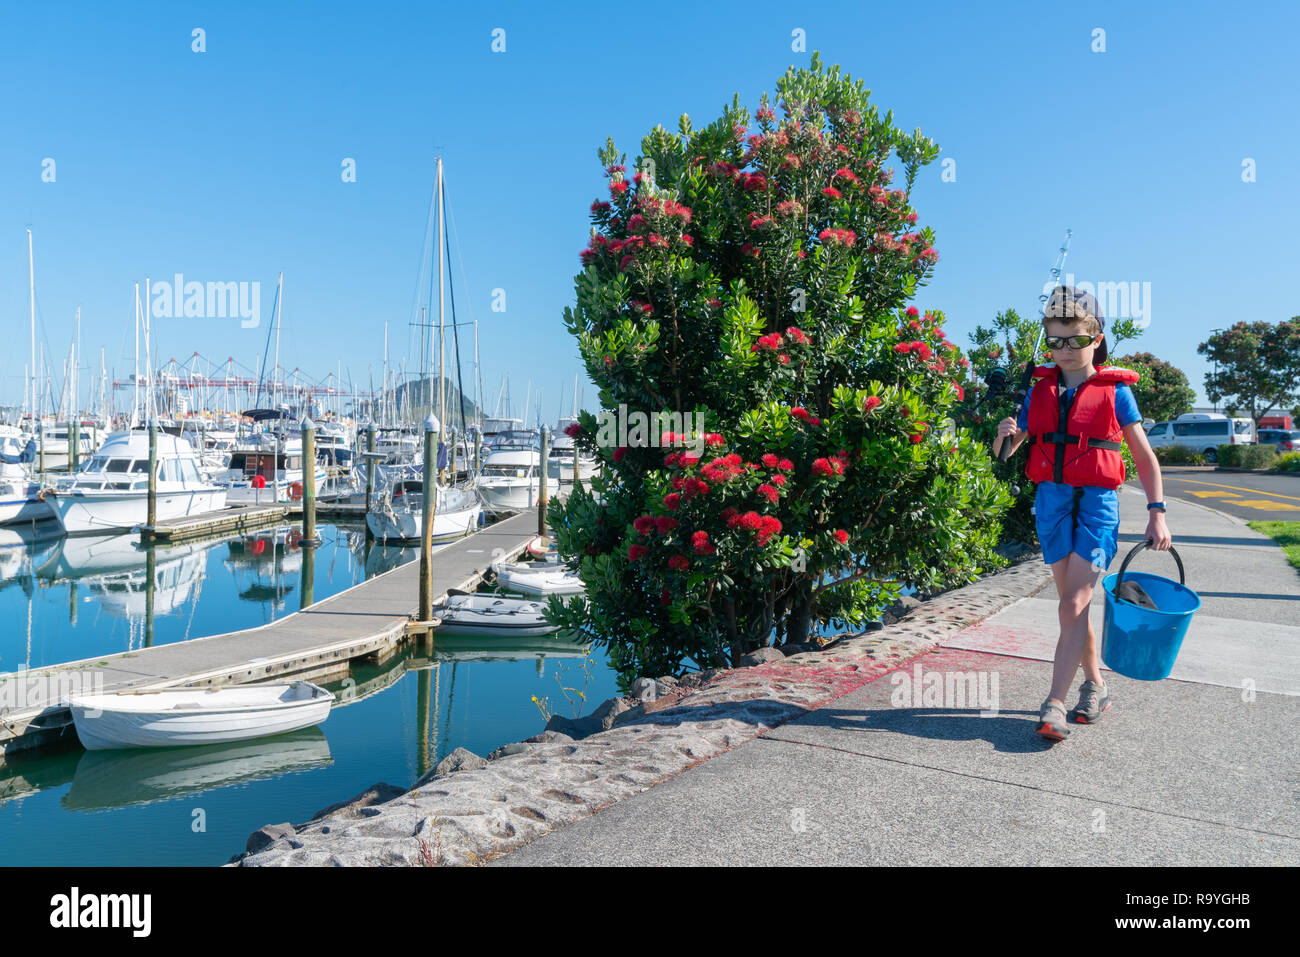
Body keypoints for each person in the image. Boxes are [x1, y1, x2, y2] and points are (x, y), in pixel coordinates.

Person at [992, 286, 1173, 742]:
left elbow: (1144, 457)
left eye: (1074, 340)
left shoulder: (1115, 394)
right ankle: (1096, 686)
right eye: (1055, 341)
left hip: (1097, 507)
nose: (1064, 350)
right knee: (1073, 610)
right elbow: (1008, 453)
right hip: (1051, 504)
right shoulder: (1039, 392)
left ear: (1096, 338)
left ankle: (1053, 703)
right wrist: (1004, 435)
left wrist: (1158, 513)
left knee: (1072, 604)